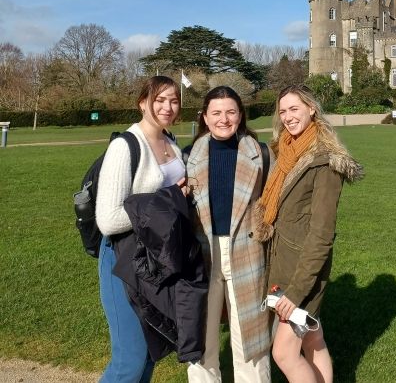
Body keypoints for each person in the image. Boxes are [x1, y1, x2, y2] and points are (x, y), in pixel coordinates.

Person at [254, 84, 363, 383]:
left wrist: (298, 289)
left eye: (294, 109)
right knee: (312, 339)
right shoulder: (287, 150)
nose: (288, 117)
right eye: (283, 111)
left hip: (303, 272)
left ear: (311, 108)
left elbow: (322, 234)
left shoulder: (324, 160)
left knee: (284, 354)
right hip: (283, 264)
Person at [96, 75, 186, 383]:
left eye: (174, 100)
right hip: (124, 260)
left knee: (150, 353)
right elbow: (108, 219)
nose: (167, 107)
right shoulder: (126, 146)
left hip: (158, 261)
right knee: (129, 362)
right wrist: (171, 199)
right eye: (159, 100)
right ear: (142, 103)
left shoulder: (171, 142)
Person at [186, 86, 272, 383]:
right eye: (217, 113)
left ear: (241, 115)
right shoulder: (188, 156)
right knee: (201, 338)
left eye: (231, 112)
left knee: (251, 337)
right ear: (205, 118)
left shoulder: (260, 154)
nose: (224, 119)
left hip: (247, 252)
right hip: (201, 255)